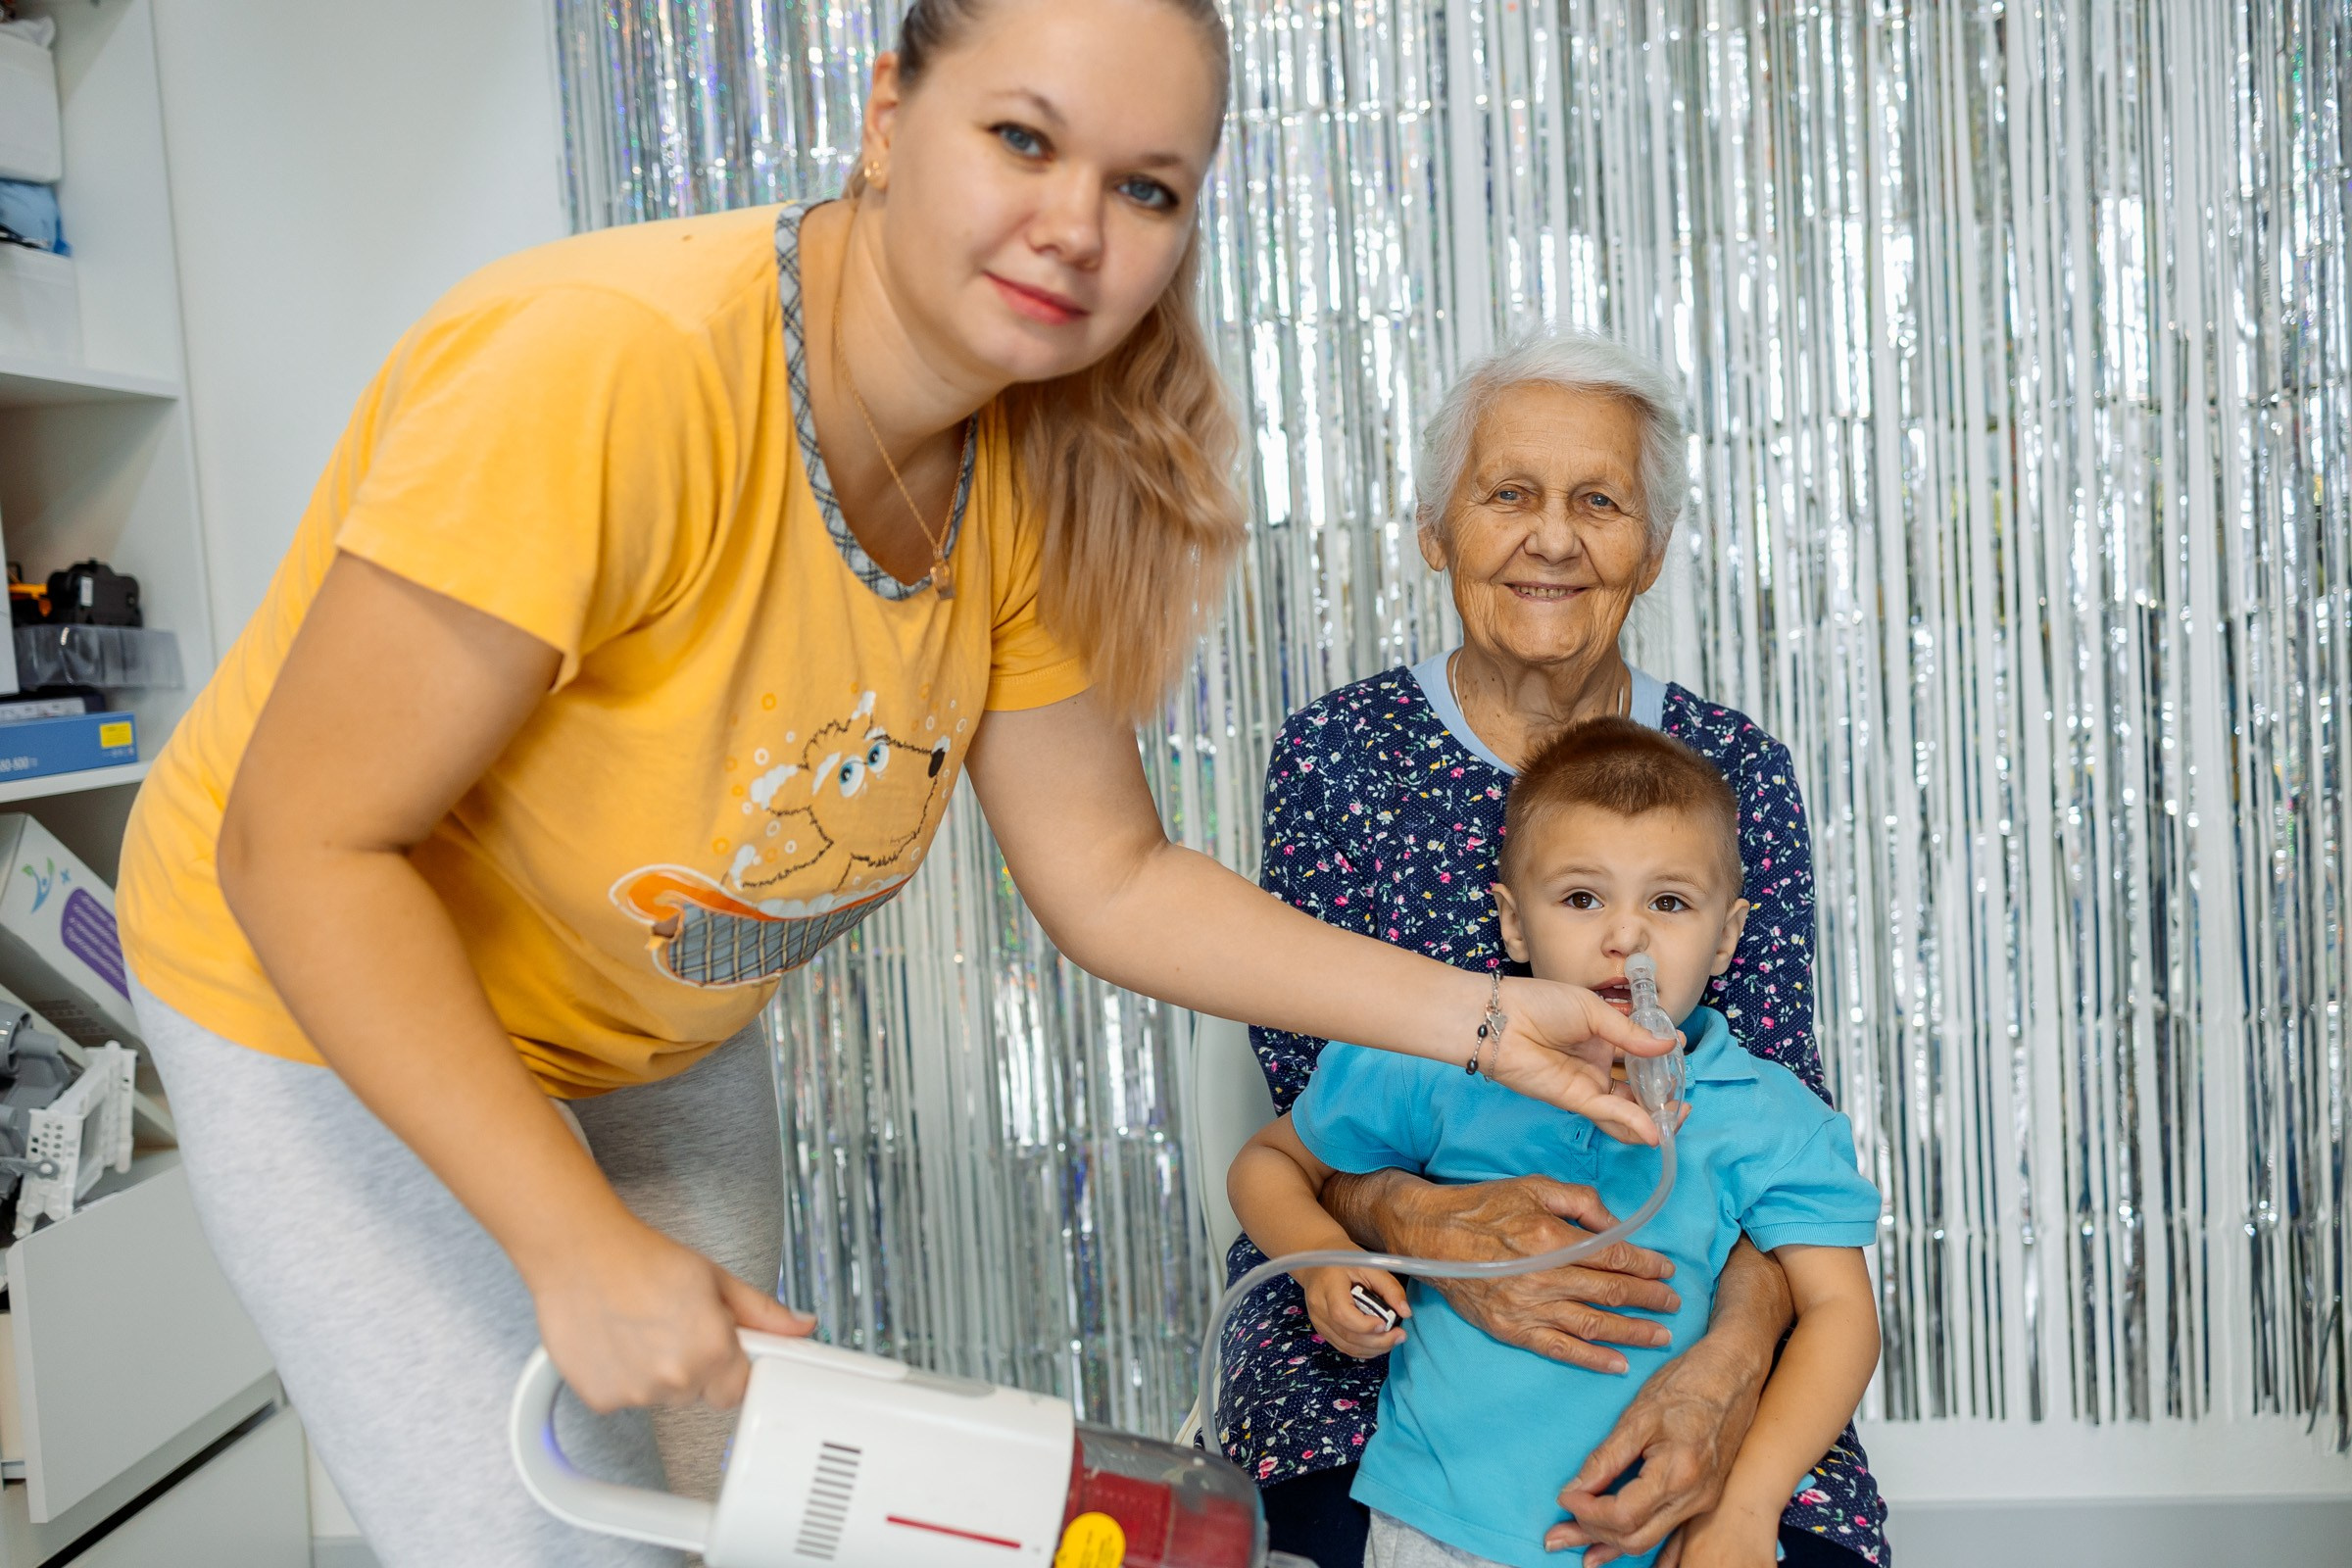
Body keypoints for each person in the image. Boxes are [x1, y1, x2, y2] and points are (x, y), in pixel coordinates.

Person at [113, 5, 1671, 1565]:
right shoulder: (604, 369)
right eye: (1022, 138)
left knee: (751, 1505)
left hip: (643, 1016)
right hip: (326, 988)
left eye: (1146, 189)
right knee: (536, 1535)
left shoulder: (1028, 465)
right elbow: (304, 843)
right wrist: (569, 1238)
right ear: (884, 116)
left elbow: (1113, 877)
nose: (1074, 228)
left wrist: (1490, 1023)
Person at [1217, 331, 1888, 1568]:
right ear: (1436, 526)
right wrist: (1433, 1237)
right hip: (1387, 1300)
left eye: (1598, 500)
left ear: (1655, 544)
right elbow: (1306, 1132)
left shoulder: (1736, 774)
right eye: (1509, 493)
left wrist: (1722, 1378)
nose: (1554, 537)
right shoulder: (1336, 757)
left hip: (1695, 1306)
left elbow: (1781, 1171)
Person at [1229, 718, 1883, 1568]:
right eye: (1582, 898)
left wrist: (1749, 1504)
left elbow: (1841, 1314)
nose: (1626, 937)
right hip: (1433, 1525)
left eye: (1670, 902)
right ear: (1512, 923)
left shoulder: (1769, 1115)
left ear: (1728, 936)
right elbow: (1271, 1163)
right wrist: (1319, 1257)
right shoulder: (1447, 1062)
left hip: (1651, 1538)